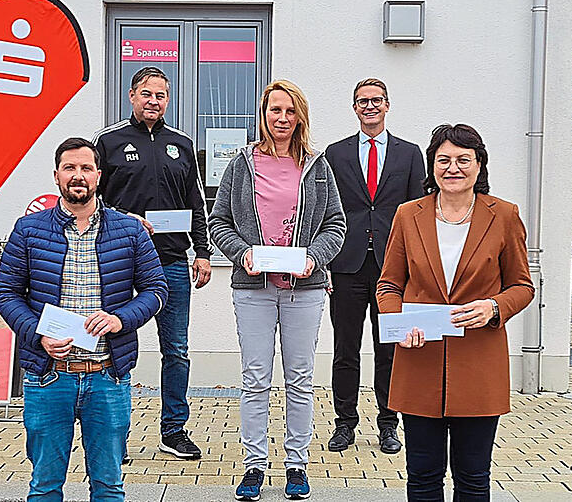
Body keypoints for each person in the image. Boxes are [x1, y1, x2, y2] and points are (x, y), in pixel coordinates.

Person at [0, 138, 168, 501]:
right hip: (48, 376)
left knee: (109, 485)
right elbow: (6, 293)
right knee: (44, 485)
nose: (78, 176)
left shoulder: (129, 230)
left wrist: (121, 320)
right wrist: (37, 334)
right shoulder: (29, 230)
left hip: (108, 375)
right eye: (70, 168)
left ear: (99, 176)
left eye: (86, 168)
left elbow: (156, 289)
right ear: (56, 176)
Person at [375, 123, 534, 501]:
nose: (453, 168)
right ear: (432, 166)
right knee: (423, 477)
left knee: (473, 477)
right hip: (419, 360)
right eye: (443, 160)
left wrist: (494, 306)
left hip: (479, 363)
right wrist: (399, 324)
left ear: (480, 165)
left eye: (464, 159)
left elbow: (522, 286)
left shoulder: (504, 215)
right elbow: (388, 285)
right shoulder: (407, 214)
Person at [208, 80, 346, 500]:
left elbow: (336, 225)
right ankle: (253, 465)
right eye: (274, 111)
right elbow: (218, 223)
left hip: (304, 289)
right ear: (263, 114)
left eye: (289, 112)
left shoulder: (317, 165)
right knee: (254, 378)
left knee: (300, 379)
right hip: (253, 287)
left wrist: (313, 258)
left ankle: (296, 464)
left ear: (299, 116)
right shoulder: (241, 163)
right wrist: (241, 253)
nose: (282, 119)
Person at [92, 66, 211, 459]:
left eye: (160, 95)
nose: (153, 101)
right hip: (120, 262)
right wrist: (125, 220)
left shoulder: (182, 143)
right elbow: (92, 202)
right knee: (115, 345)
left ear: (168, 99)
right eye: (146, 93)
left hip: (173, 263)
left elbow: (196, 202)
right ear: (131, 96)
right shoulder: (107, 142)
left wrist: (204, 252)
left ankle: (173, 431)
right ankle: (116, 435)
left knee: (176, 348)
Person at [324, 78, 424, 454]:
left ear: (387, 105)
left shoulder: (410, 154)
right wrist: (325, 263)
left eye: (376, 100)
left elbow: (418, 214)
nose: (370, 106)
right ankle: (344, 424)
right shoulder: (336, 153)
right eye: (362, 101)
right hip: (346, 266)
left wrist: (415, 269)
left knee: (390, 351)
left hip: (393, 269)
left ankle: (388, 424)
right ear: (354, 108)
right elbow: (324, 210)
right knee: (345, 350)